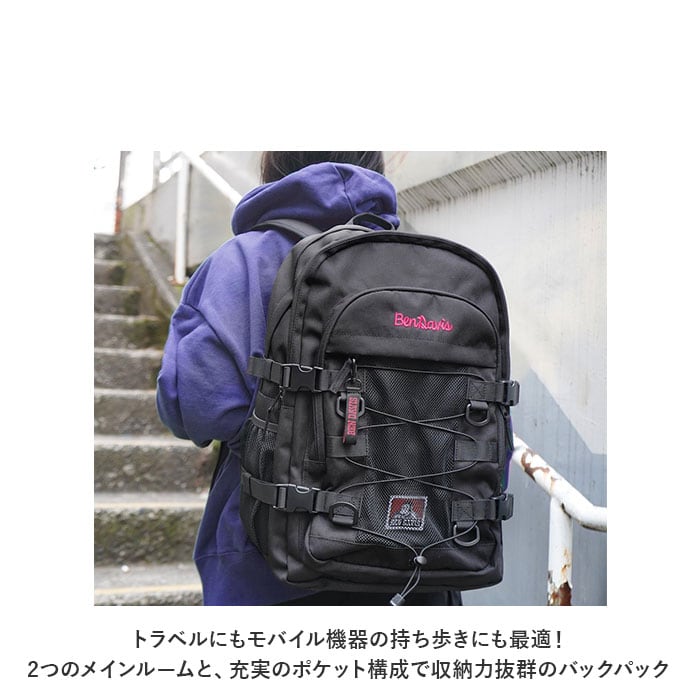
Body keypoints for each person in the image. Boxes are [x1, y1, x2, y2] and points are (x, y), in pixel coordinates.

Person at [156, 152, 463, 606]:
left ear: (273, 162)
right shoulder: (435, 271)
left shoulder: (244, 261)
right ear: (377, 164)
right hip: (421, 568)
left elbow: (196, 406)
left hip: (271, 568)